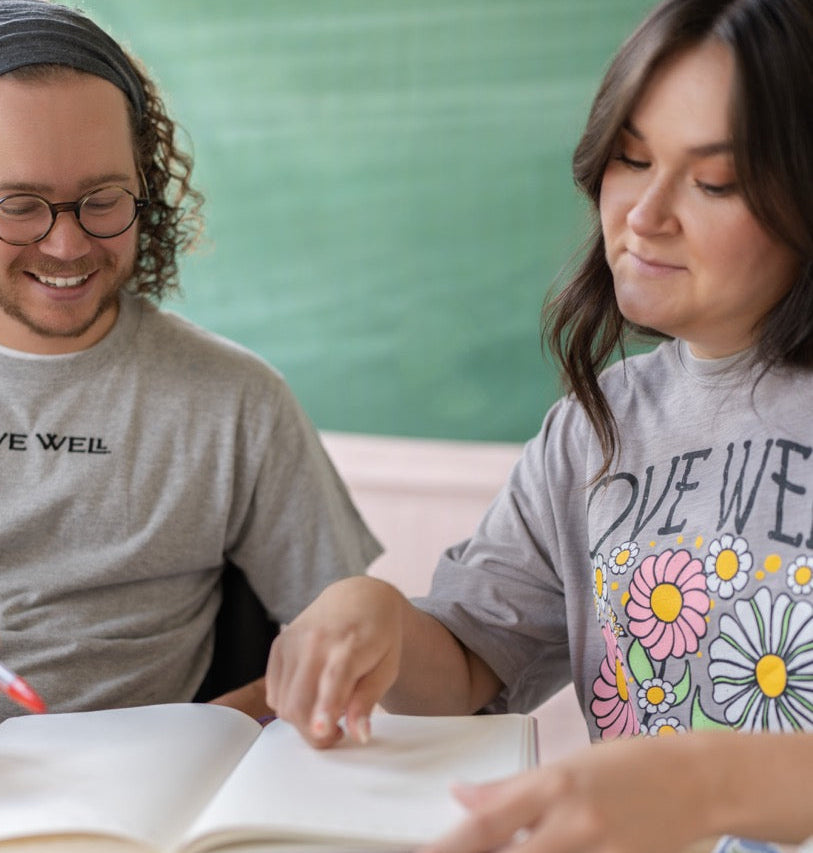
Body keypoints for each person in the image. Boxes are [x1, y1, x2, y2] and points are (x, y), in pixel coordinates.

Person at [265, 0, 813, 850]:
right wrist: (369, 612)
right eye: (630, 160)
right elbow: (473, 662)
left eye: (714, 181)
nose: (643, 214)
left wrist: (708, 783)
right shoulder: (596, 427)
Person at [0, 0, 381, 735]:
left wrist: (207, 734)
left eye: (102, 199)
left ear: (145, 183)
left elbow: (346, 638)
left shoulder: (234, 400)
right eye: (19, 206)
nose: (67, 246)